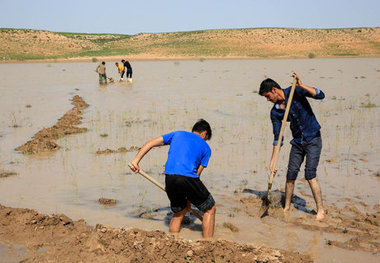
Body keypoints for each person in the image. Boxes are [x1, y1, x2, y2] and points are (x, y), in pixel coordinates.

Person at [129, 119, 216, 238]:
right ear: (205, 133)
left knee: (179, 212)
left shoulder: (178, 134)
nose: (205, 140)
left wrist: (135, 161)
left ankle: (173, 243)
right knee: (210, 208)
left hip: (170, 176)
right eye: (206, 138)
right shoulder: (206, 148)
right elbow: (197, 174)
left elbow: (150, 143)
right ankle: (208, 244)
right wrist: (190, 199)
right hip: (188, 177)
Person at [259, 72, 325, 221]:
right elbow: (278, 138)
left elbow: (321, 95)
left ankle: (320, 210)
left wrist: (302, 86)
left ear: (274, 90)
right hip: (297, 142)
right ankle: (287, 207)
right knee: (291, 174)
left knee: (310, 175)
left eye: (268, 96)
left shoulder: (295, 90)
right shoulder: (275, 112)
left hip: (313, 138)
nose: (268, 100)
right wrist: (272, 161)